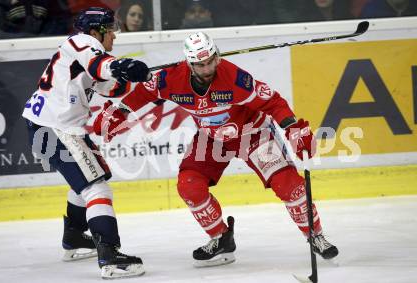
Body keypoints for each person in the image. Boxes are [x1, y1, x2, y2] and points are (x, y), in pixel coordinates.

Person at [93, 31, 339, 267]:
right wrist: (121, 111)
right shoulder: (171, 78)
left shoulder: (234, 79)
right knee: (189, 186)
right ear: (189, 64)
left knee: (289, 186)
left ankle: (314, 235)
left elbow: (273, 102)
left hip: (253, 134)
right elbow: (144, 94)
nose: (207, 69)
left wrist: (293, 128)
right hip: (211, 139)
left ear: (217, 56)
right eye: (200, 65)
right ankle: (221, 238)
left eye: (211, 61)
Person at [22, 7, 151, 279]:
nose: (114, 37)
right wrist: (120, 65)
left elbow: (110, 86)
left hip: (50, 126)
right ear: (95, 32)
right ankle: (110, 256)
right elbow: (102, 66)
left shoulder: (83, 56)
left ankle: (74, 237)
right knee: (96, 188)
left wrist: (143, 76)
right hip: (56, 127)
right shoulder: (81, 42)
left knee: (90, 179)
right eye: (110, 33)